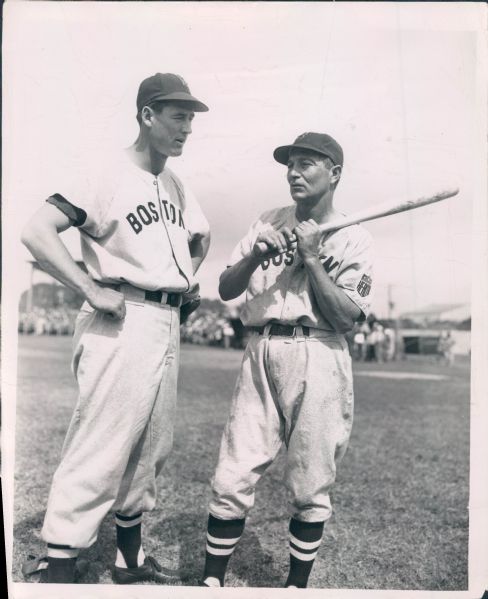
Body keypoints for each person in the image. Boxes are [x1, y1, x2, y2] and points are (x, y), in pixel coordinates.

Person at [20, 73, 210, 584]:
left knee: (151, 447)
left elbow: (201, 236)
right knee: (101, 441)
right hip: (119, 316)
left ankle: (129, 559)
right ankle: (58, 562)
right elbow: (37, 232)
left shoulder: (174, 185)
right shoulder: (104, 172)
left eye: (191, 118)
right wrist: (89, 288)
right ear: (147, 115)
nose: (187, 127)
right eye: (177, 115)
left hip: (165, 320)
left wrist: (186, 282)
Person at [200, 132, 374, 588]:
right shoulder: (266, 221)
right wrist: (256, 255)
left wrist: (313, 259)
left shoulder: (354, 238)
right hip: (260, 348)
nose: (293, 173)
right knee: (232, 470)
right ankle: (210, 582)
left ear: (334, 173)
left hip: (318, 352)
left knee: (311, 480)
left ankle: (295, 587)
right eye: (290, 164)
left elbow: (345, 318)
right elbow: (226, 288)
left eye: (307, 164)